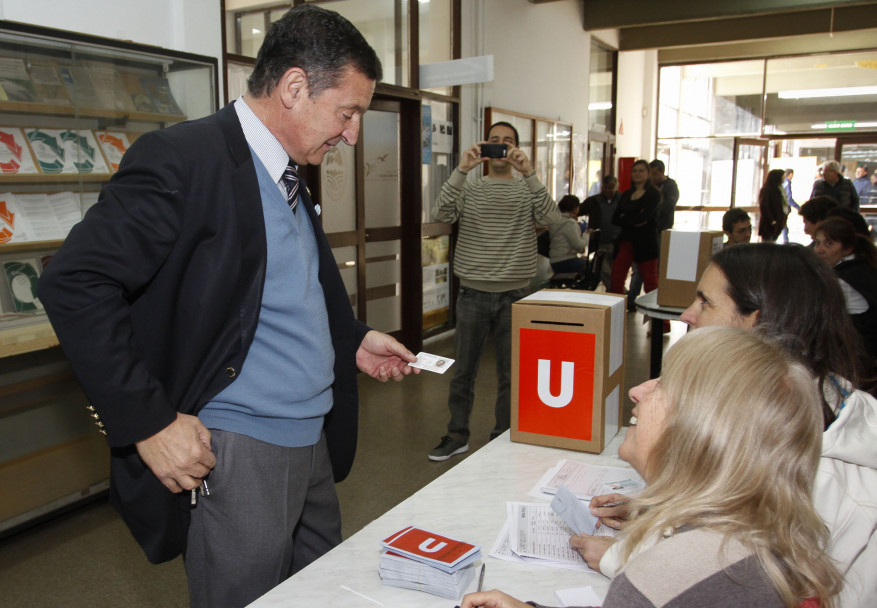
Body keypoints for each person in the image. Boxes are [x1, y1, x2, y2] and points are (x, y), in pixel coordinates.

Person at [37, 6, 420, 607]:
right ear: (294, 87)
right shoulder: (184, 160)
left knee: (318, 594)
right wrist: (149, 422)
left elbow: (276, 288)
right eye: (347, 113)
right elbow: (75, 283)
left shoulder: (287, 169)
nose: (350, 133)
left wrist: (350, 339)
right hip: (242, 452)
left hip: (311, 439)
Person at [461, 327, 842, 608]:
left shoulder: (663, 577)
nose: (638, 390)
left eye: (663, 385)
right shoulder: (770, 535)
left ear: (697, 431)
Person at [670, 244, 876, 608]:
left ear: (756, 323)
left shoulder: (818, 479)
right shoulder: (782, 417)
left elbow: (744, 588)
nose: (688, 315)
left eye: (705, 303)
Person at [429, 121, 560, 461]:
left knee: (511, 374)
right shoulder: (471, 187)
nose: (501, 146)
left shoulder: (525, 189)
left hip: (516, 295)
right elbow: (439, 212)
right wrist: (461, 168)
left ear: (517, 149)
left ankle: (503, 436)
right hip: (472, 292)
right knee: (463, 373)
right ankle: (457, 435)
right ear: (485, 147)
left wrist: (530, 173)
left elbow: (552, 217)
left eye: (509, 141)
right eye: (495, 141)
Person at [814, 217, 877, 359]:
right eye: (817, 243)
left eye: (829, 244)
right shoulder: (864, 266)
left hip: (860, 355)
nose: (819, 250)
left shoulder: (841, 280)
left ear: (847, 249)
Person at [625, 160, 678, 309]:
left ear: (661, 172)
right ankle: (631, 299)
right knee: (639, 270)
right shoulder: (645, 189)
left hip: (661, 232)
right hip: (644, 234)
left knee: (654, 271)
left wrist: (651, 210)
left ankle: (656, 303)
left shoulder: (670, 187)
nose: (652, 177)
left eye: (654, 173)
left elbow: (668, 205)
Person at [609, 159, 660, 297]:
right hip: (626, 240)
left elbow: (643, 218)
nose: (637, 174)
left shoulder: (653, 194)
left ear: (648, 174)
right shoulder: (626, 194)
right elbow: (616, 218)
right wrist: (634, 219)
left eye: (641, 171)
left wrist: (628, 217)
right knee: (616, 279)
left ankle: (658, 319)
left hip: (646, 243)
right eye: (635, 171)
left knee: (651, 282)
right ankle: (616, 314)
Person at [578, 175, 621, 289]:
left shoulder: (622, 200)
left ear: (617, 186)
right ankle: (616, 292)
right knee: (604, 270)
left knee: (616, 271)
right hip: (599, 242)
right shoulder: (593, 200)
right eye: (605, 187)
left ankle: (618, 291)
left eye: (610, 187)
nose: (607, 190)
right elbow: (577, 210)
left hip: (617, 241)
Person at [548, 194, 590, 273]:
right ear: (575, 209)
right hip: (566, 260)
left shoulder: (556, 220)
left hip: (555, 261)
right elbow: (579, 245)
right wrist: (586, 234)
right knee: (593, 268)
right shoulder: (569, 223)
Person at [757, 168, 787, 242]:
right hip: (769, 225)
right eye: (782, 177)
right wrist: (772, 220)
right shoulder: (767, 190)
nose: (783, 179)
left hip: (777, 224)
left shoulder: (780, 189)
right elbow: (764, 207)